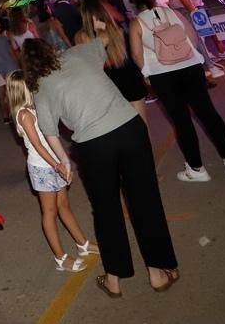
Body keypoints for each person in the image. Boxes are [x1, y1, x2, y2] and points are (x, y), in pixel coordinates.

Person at [25, 37, 179, 298]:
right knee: (146, 200)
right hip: (130, 129)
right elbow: (106, 39)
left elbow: (50, 132)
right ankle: (156, 272)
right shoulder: (78, 54)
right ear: (52, 50)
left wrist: (64, 161)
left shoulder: (40, 86)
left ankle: (113, 280)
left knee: (106, 210)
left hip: (94, 146)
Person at [129, 0, 225, 182]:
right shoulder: (172, 12)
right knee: (207, 113)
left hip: (161, 75)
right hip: (190, 68)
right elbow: (192, 36)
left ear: (134, 0)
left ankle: (197, 169)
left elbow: (137, 55)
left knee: (181, 121)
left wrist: (147, 73)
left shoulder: (137, 23)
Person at [5, 71, 97, 272]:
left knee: (64, 205)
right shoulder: (24, 114)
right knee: (49, 212)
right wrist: (56, 165)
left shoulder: (36, 107)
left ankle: (83, 244)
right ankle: (60, 258)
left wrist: (62, 160)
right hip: (42, 168)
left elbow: (52, 135)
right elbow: (38, 144)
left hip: (54, 162)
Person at [74, 0, 148, 123]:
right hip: (131, 80)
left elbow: (91, 65)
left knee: (122, 127)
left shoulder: (80, 37)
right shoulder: (116, 30)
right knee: (142, 123)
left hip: (108, 86)